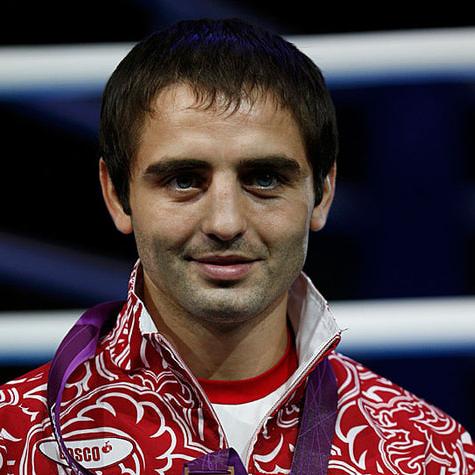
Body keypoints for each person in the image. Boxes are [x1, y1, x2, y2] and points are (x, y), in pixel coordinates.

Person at [0, 17, 474, 475]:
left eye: (264, 178)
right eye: (184, 180)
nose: (225, 223)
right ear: (116, 195)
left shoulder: (433, 455)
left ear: (323, 193)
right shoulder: (12, 439)